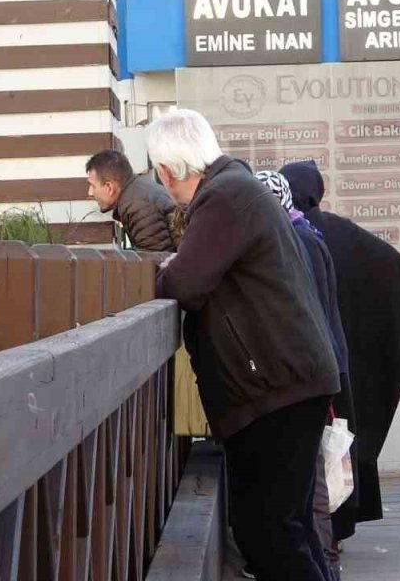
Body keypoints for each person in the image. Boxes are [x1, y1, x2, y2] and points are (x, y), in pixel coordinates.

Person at [152, 109, 340, 581]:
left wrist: (168, 268)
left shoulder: (223, 198)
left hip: (275, 386)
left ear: (165, 171)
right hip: (287, 379)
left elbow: (185, 284)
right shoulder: (234, 190)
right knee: (285, 529)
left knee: (268, 534)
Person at [281, 160, 400, 531]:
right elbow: (398, 275)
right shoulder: (342, 232)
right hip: (353, 357)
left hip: (309, 358)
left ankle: (321, 528)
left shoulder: (289, 233)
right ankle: (341, 525)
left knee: (315, 442)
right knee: (346, 436)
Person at [256, 170, 352, 581]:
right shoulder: (304, 232)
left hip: (310, 370)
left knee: (310, 480)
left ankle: (325, 563)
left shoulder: (296, 240)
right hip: (319, 366)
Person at [86, 149, 179, 253]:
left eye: (93, 186)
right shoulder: (138, 190)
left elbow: (154, 261)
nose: (90, 193)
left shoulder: (136, 206)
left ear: (109, 187)